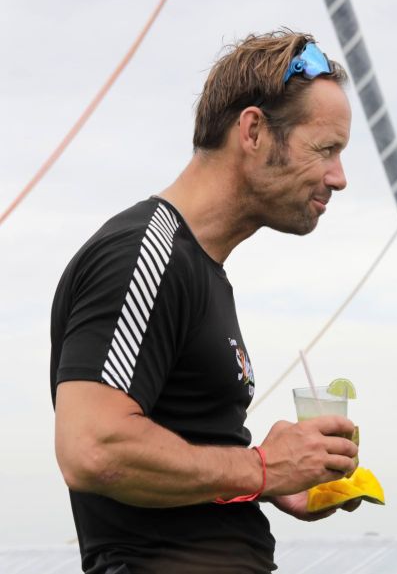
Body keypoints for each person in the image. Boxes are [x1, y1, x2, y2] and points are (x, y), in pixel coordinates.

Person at [51, 30, 359, 574]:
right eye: (325, 149)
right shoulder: (145, 253)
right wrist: (263, 468)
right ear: (254, 130)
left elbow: (181, 459)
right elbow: (93, 447)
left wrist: (273, 483)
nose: (339, 177)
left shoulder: (200, 269)